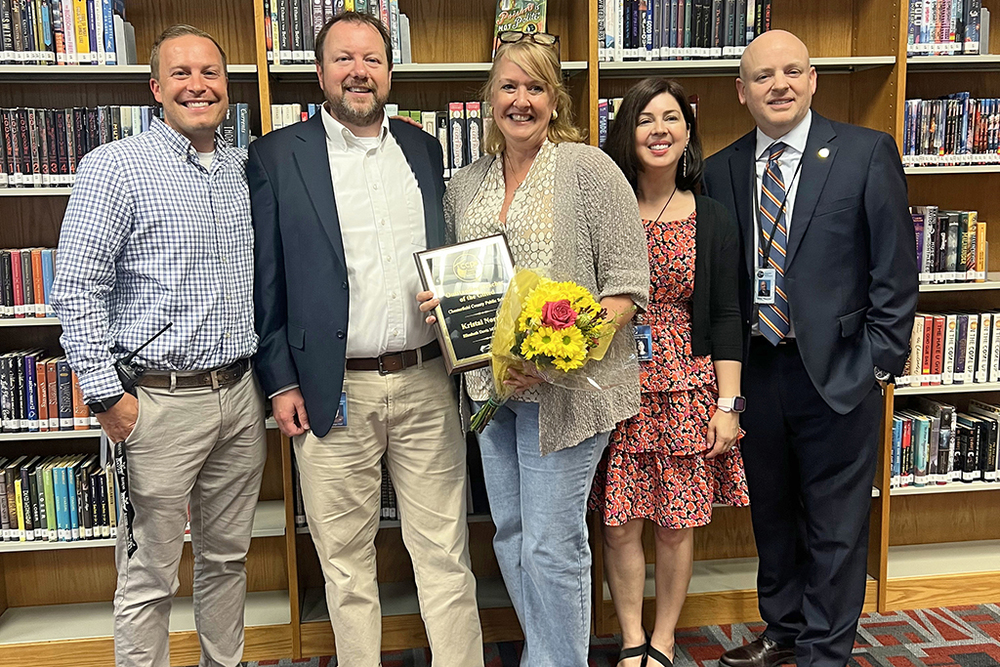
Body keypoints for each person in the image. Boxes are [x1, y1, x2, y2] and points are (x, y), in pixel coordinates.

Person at [246, 12, 484, 667]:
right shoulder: (275, 156)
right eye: (344, 59)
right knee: (346, 564)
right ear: (320, 72)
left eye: (372, 59)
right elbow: (265, 280)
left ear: (389, 71)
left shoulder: (422, 149)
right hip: (332, 387)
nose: (359, 72)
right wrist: (280, 380)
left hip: (427, 379)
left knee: (445, 554)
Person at [419, 33, 650, 666]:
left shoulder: (589, 169)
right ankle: (549, 656)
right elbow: (459, 277)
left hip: (567, 395)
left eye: (535, 87)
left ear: (555, 100)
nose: (521, 100)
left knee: (552, 544)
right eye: (508, 86)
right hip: (492, 394)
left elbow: (628, 287)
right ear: (488, 98)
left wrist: (554, 353)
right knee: (513, 535)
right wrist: (442, 305)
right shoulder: (465, 185)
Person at [50, 25, 266, 667]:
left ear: (227, 86)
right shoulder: (114, 167)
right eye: (181, 74)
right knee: (150, 576)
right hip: (156, 403)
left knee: (227, 560)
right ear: (155, 88)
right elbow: (76, 287)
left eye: (210, 73)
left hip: (239, 395)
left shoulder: (243, 168)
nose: (198, 86)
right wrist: (106, 398)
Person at [702, 30, 917, 667]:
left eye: (792, 71)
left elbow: (895, 270)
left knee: (835, 524)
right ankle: (784, 630)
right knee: (771, 512)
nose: (780, 86)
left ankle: (826, 651)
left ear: (814, 79)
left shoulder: (865, 153)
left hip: (840, 370)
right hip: (757, 369)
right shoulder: (721, 168)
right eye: (763, 77)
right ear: (741, 92)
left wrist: (879, 363)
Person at [592, 77, 749, 667]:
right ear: (626, 133)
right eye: (644, 119)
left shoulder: (713, 217)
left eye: (671, 118)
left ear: (688, 131)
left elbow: (728, 315)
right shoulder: (603, 211)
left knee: (675, 523)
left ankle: (663, 639)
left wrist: (728, 406)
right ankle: (631, 635)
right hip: (613, 384)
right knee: (618, 523)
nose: (659, 130)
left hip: (686, 387)